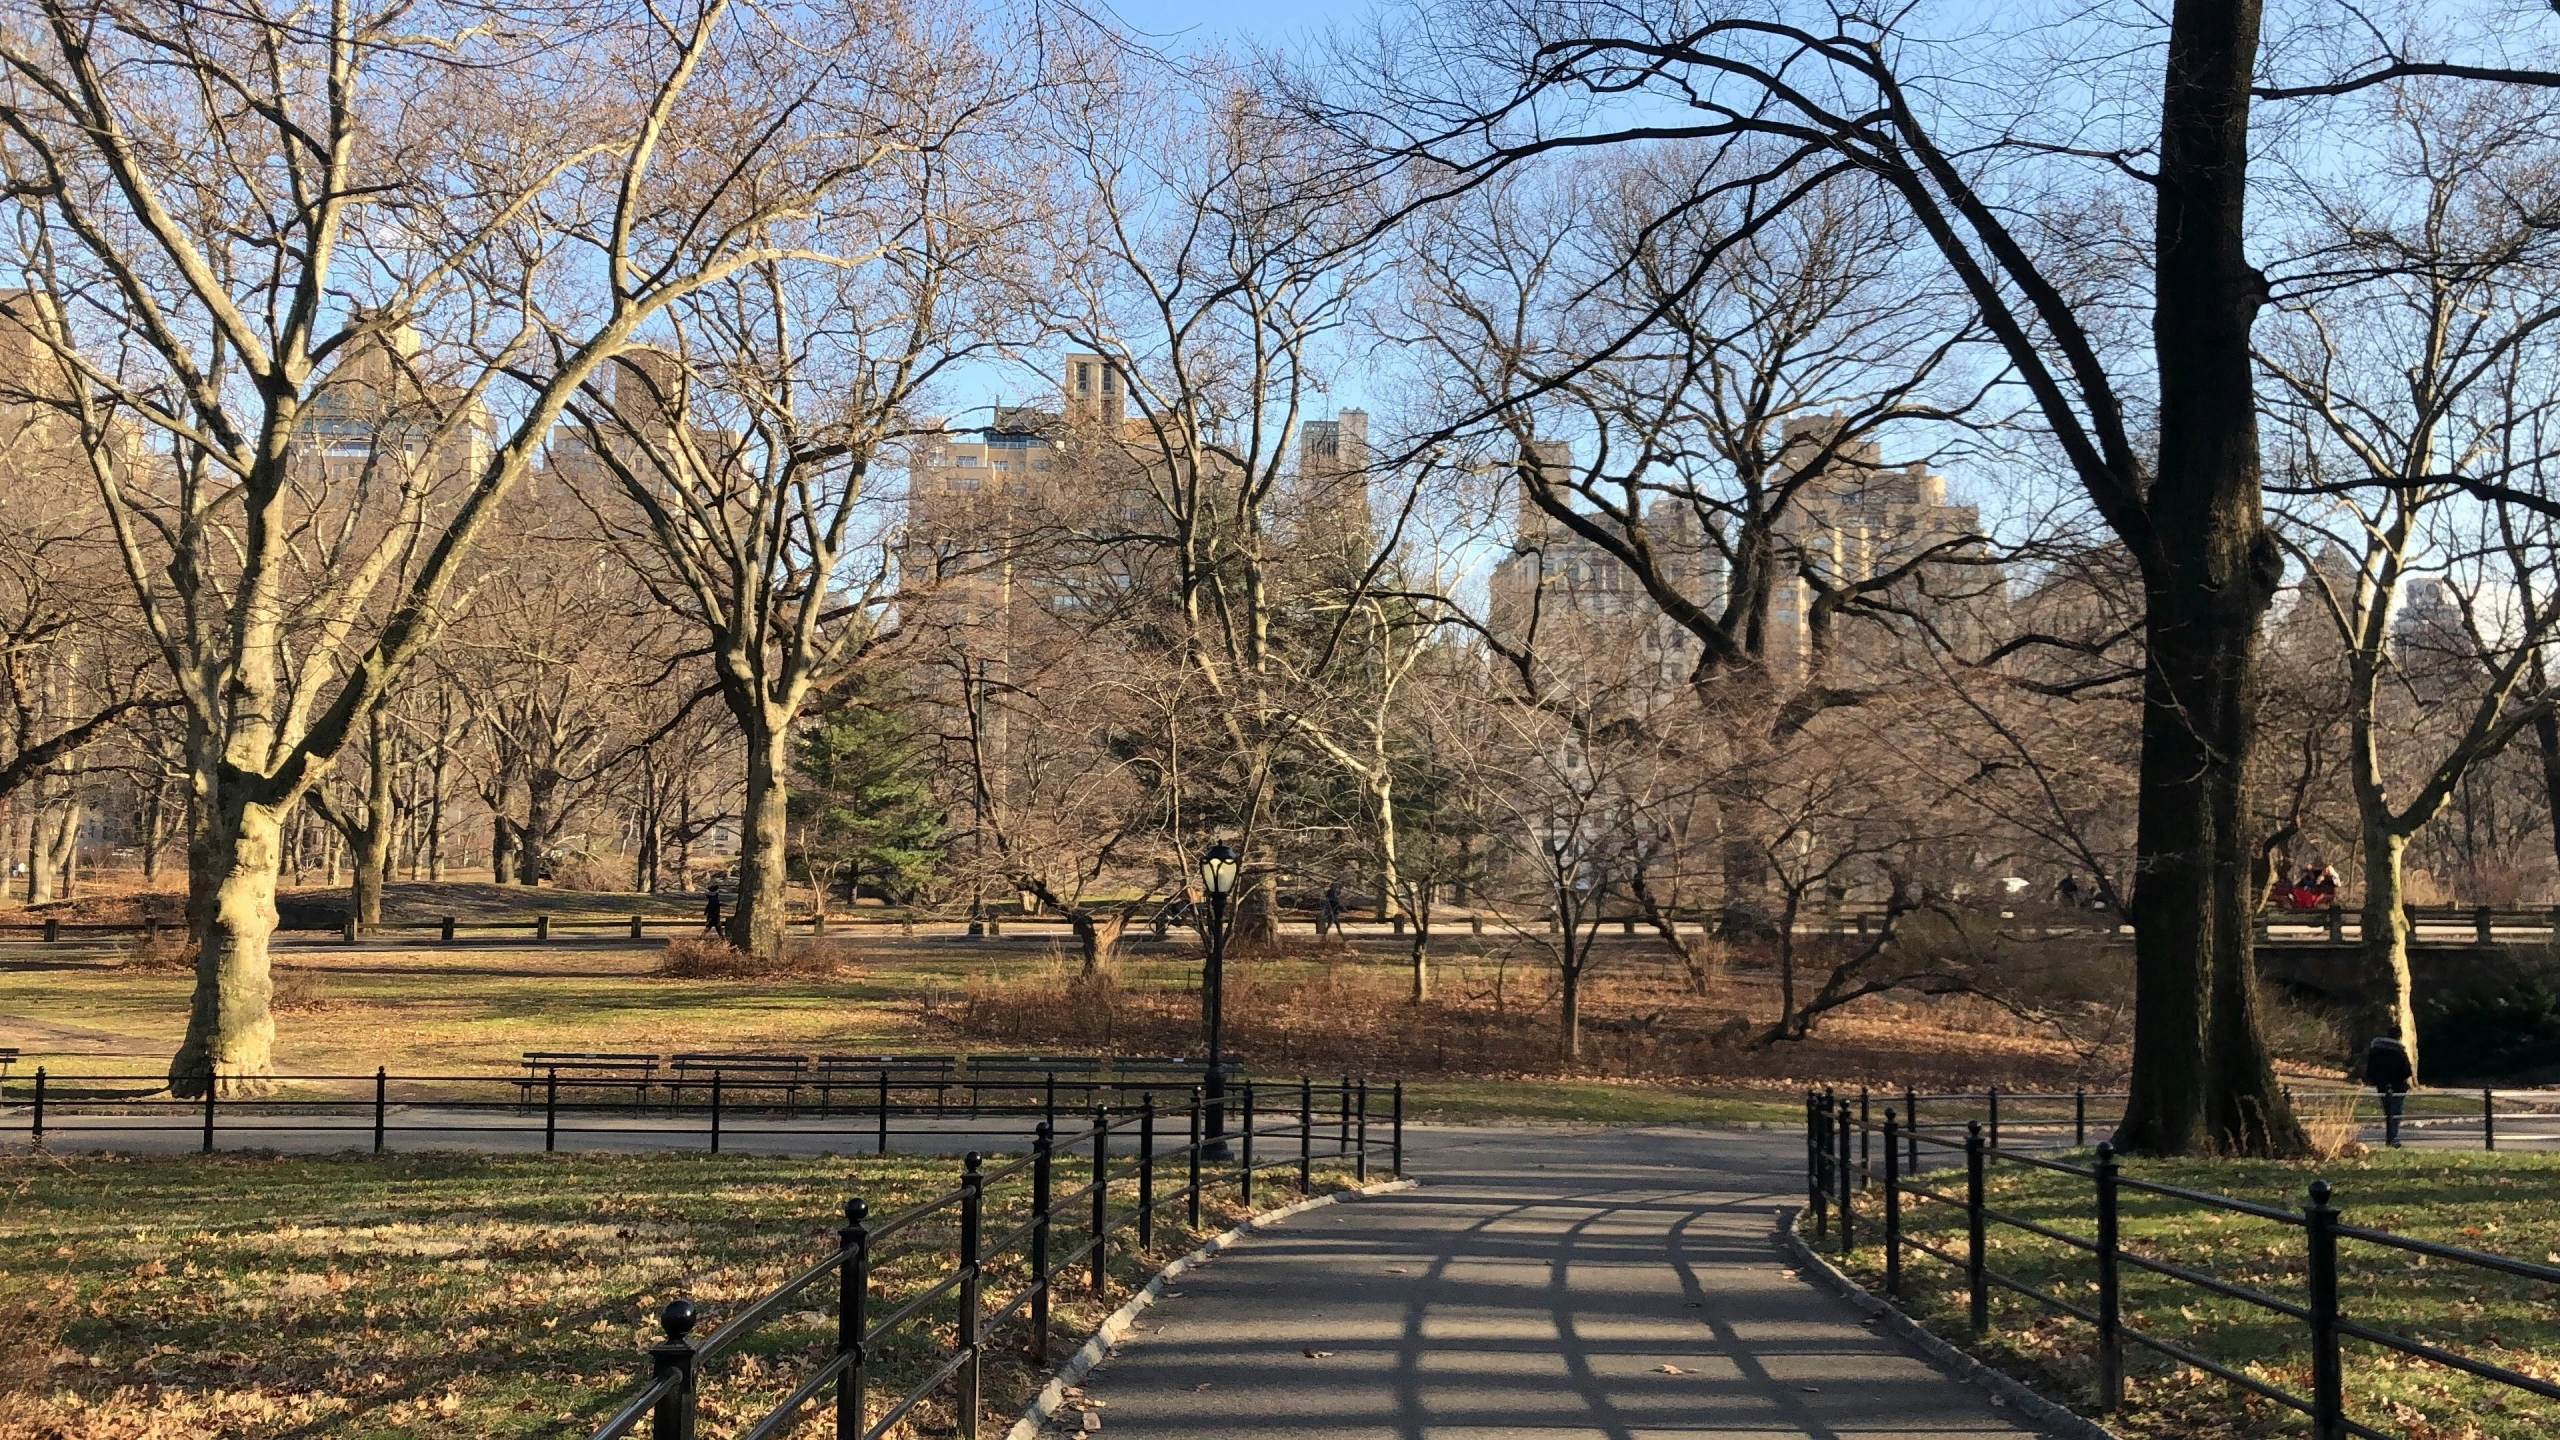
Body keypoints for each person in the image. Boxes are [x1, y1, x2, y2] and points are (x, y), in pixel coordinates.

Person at [2364, 1034, 2413, 1147]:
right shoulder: (2399, 1050)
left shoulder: (2375, 1049)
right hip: (2398, 1085)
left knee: (2388, 1112)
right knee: (2396, 1111)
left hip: (2383, 1085)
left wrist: (2376, 1080)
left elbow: (2370, 1070)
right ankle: (2393, 1138)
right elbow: (2407, 1071)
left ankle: (2390, 1138)